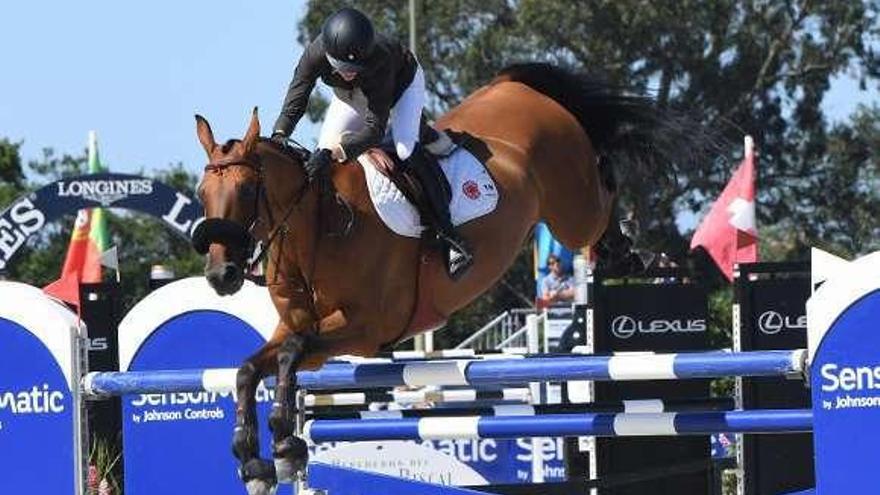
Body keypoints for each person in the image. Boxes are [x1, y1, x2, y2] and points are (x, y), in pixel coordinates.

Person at [270, 7, 472, 279]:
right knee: (320, 158)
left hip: (402, 88)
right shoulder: (314, 55)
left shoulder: (380, 59)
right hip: (350, 98)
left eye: (355, 68)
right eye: (344, 68)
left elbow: (374, 129)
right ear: (328, 56)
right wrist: (279, 135)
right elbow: (296, 99)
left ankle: (450, 237)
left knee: (403, 148)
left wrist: (336, 152)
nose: (350, 72)